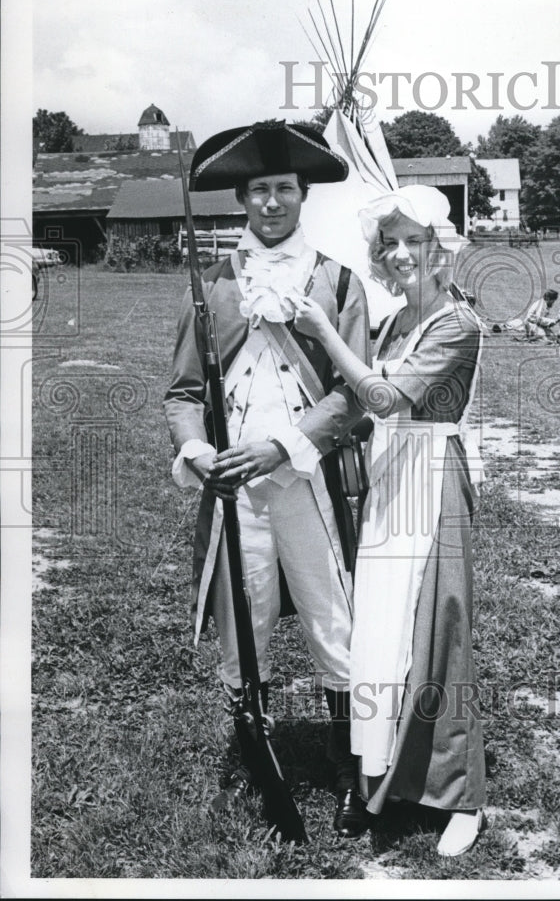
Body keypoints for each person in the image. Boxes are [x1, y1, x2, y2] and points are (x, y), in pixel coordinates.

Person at [163, 120, 371, 837]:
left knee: (333, 618)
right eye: (260, 191)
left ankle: (353, 768)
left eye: (284, 189)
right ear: (242, 200)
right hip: (233, 487)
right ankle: (256, 748)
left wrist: (283, 448)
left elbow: (353, 395)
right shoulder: (214, 286)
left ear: (303, 196)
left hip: (309, 479)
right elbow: (185, 392)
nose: (272, 203)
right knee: (241, 618)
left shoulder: (339, 281)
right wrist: (196, 454)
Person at [293, 184, 487, 858]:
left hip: (432, 481)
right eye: (391, 243)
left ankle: (462, 798)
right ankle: (391, 780)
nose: (401, 253)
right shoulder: (391, 323)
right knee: (384, 629)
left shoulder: (456, 325)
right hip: (389, 482)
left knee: (438, 632)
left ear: (441, 251)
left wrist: (320, 329)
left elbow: (380, 394)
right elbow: (364, 408)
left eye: (415, 241)